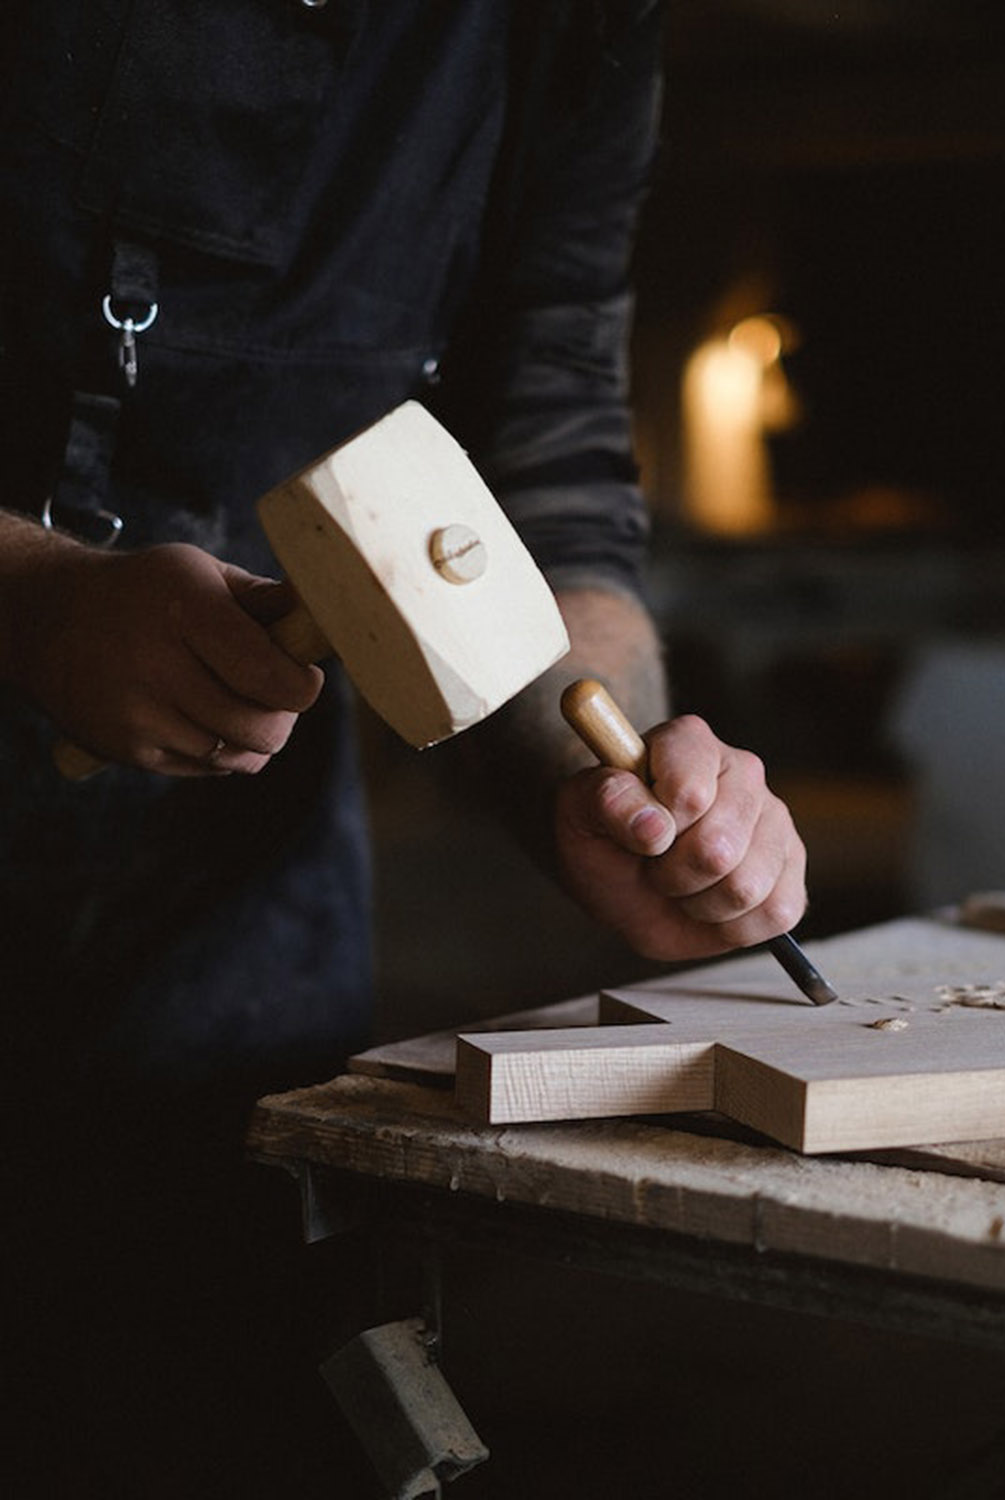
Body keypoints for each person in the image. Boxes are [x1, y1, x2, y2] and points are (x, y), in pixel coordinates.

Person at [0, 3, 808, 1494]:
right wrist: (35, 601)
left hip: (231, 896)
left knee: (197, 1391)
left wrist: (598, 778)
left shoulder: (570, 29)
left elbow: (546, 463)